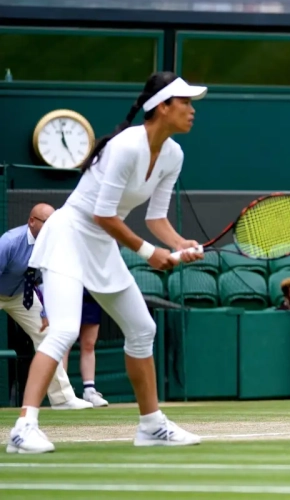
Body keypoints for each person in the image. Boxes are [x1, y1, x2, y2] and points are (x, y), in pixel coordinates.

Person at [7, 71, 207, 454]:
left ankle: (151, 425)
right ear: (162, 107)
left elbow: (156, 219)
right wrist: (149, 252)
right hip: (69, 235)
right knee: (64, 329)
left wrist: (182, 244)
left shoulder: (173, 155)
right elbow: (102, 214)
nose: (192, 110)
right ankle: (23, 427)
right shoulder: (126, 146)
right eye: (185, 102)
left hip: (101, 244)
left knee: (142, 328)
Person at [0, 205, 93, 410]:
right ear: (32, 221)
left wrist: (44, 311)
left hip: (21, 294)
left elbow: (46, 279)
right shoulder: (9, 242)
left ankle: (62, 399)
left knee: (48, 336)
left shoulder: (53, 244)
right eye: (46, 222)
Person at [40, 286, 109, 407]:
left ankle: (90, 391)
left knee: (89, 344)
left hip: (91, 292)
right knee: (65, 344)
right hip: (67, 292)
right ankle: (64, 393)